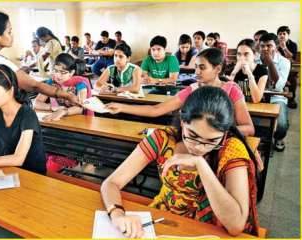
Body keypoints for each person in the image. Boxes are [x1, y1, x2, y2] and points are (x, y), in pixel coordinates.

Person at [101, 86, 260, 237]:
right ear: (183, 122)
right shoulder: (163, 138)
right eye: (192, 135)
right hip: (162, 221)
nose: (198, 147)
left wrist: (201, 165)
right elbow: (111, 183)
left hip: (209, 229)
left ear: (224, 134)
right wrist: (117, 214)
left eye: (211, 141)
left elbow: (236, 225)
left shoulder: (231, 149)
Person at [0, 11, 78, 156]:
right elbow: (34, 85)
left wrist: (16, 70)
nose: (12, 35)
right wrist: (65, 95)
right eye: (9, 31)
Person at [107, 48, 255, 136]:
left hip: (221, 141)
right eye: (196, 67)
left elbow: (249, 128)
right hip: (194, 141)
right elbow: (156, 109)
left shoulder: (231, 89)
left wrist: (213, 133)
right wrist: (122, 107)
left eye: (202, 67)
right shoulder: (193, 89)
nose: (196, 72)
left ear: (217, 69)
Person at [256, 33, 290, 151]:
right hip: (258, 96)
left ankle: (279, 137)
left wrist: (270, 63)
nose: (265, 49)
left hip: (277, 97)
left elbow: (279, 87)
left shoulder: (284, 62)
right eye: (262, 46)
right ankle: (262, 138)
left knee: (281, 125)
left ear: (276, 47)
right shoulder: (255, 59)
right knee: (253, 120)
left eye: (269, 46)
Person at [35, 53, 92, 121]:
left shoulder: (80, 83)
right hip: (58, 119)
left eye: (62, 72)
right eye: (56, 71)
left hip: (78, 120)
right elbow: (36, 103)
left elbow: (81, 107)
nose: (58, 75)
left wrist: (63, 111)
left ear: (71, 72)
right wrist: (52, 107)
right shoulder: (51, 82)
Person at [227, 39, 268, 103]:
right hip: (237, 106)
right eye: (239, 54)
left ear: (255, 55)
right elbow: (225, 95)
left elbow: (256, 99)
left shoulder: (262, 70)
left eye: (246, 54)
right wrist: (233, 73)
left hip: (256, 109)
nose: (241, 58)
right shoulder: (232, 69)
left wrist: (249, 74)